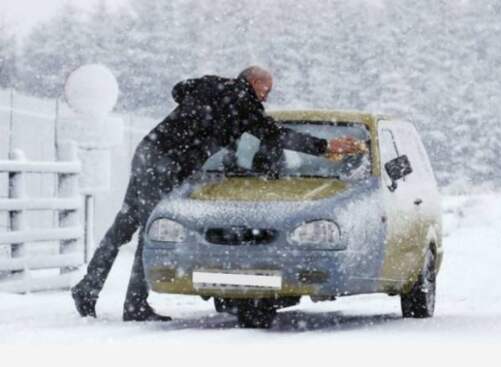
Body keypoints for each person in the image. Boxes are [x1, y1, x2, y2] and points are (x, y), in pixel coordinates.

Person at [70, 66, 363, 321]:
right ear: (254, 83)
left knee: (126, 223)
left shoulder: (212, 84)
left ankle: (88, 288)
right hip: (168, 163)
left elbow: (179, 89)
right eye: (266, 89)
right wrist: (325, 147)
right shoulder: (244, 107)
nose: (267, 96)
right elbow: (276, 134)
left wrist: (199, 110)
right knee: (147, 230)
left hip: (150, 150)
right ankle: (133, 304)